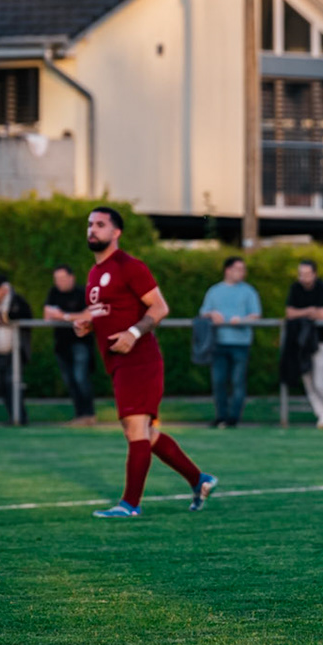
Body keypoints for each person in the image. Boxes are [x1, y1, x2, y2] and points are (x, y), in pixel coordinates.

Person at [61, 207, 215, 516]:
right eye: (90, 224)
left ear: (116, 233)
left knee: (136, 429)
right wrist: (88, 323)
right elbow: (107, 310)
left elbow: (159, 308)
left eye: (100, 225)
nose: (92, 229)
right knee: (146, 434)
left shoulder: (129, 266)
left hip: (139, 361)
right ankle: (199, 479)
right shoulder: (94, 273)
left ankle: (130, 504)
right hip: (117, 363)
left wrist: (133, 332)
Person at [284, 259, 323, 430]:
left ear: (315, 274)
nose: (304, 278)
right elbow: (290, 313)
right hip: (302, 343)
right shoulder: (295, 288)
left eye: (307, 274)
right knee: (309, 382)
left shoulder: (322, 288)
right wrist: (308, 311)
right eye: (301, 274)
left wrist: (305, 313)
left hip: (321, 342)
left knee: (321, 382)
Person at [199, 256, 261, 428]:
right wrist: (212, 315)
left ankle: (234, 418)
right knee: (218, 381)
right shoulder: (214, 291)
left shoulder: (249, 291)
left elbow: (256, 315)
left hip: (240, 343)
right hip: (218, 342)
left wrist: (242, 320)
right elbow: (204, 312)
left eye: (243, 269)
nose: (242, 273)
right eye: (238, 269)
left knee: (237, 381)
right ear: (228, 270)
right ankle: (221, 416)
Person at [43, 265, 97, 424]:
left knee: (80, 377)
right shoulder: (53, 293)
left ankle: (89, 413)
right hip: (61, 344)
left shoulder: (82, 293)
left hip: (81, 343)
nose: (59, 282)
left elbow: (88, 315)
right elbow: (48, 315)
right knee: (70, 381)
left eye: (62, 278)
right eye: (57, 279)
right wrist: (70, 317)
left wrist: (64, 316)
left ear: (71, 277)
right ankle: (80, 415)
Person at [0, 272, 32, 425]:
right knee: (2, 385)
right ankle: (12, 415)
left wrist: (6, 317)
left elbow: (26, 315)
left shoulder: (17, 301)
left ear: (4, 289)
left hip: (14, 353)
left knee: (13, 384)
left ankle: (20, 416)